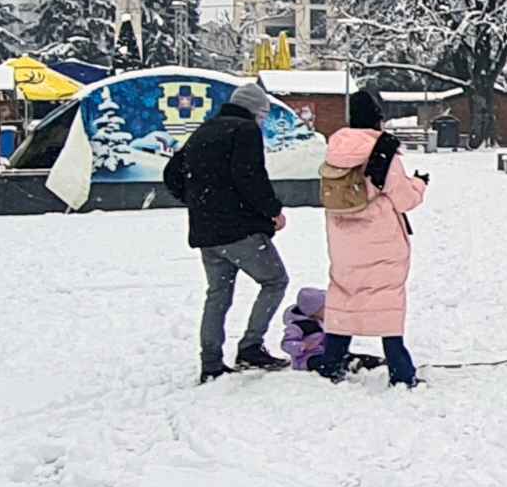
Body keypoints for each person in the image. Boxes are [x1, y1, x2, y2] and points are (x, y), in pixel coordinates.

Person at [164, 78, 292, 385]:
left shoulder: (204, 130)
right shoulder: (244, 130)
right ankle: (250, 346)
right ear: (255, 112)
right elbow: (250, 177)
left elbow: (172, 173)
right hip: (239, 230)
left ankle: (211, 362)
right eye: (263, 115)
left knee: (218, 294)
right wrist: (272, 211)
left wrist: (198, 201)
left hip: (207, 231)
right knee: (275, 281)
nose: (262, 122)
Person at [318, 88, 428, 388]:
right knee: (386, 298)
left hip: (342, 238)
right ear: (378, 119)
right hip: (379, 237)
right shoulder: (383, 149)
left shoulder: (335, 148)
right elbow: (403, 199)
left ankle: (332, 362)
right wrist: (419, 184)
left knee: (344, 293)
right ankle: (401, 371)